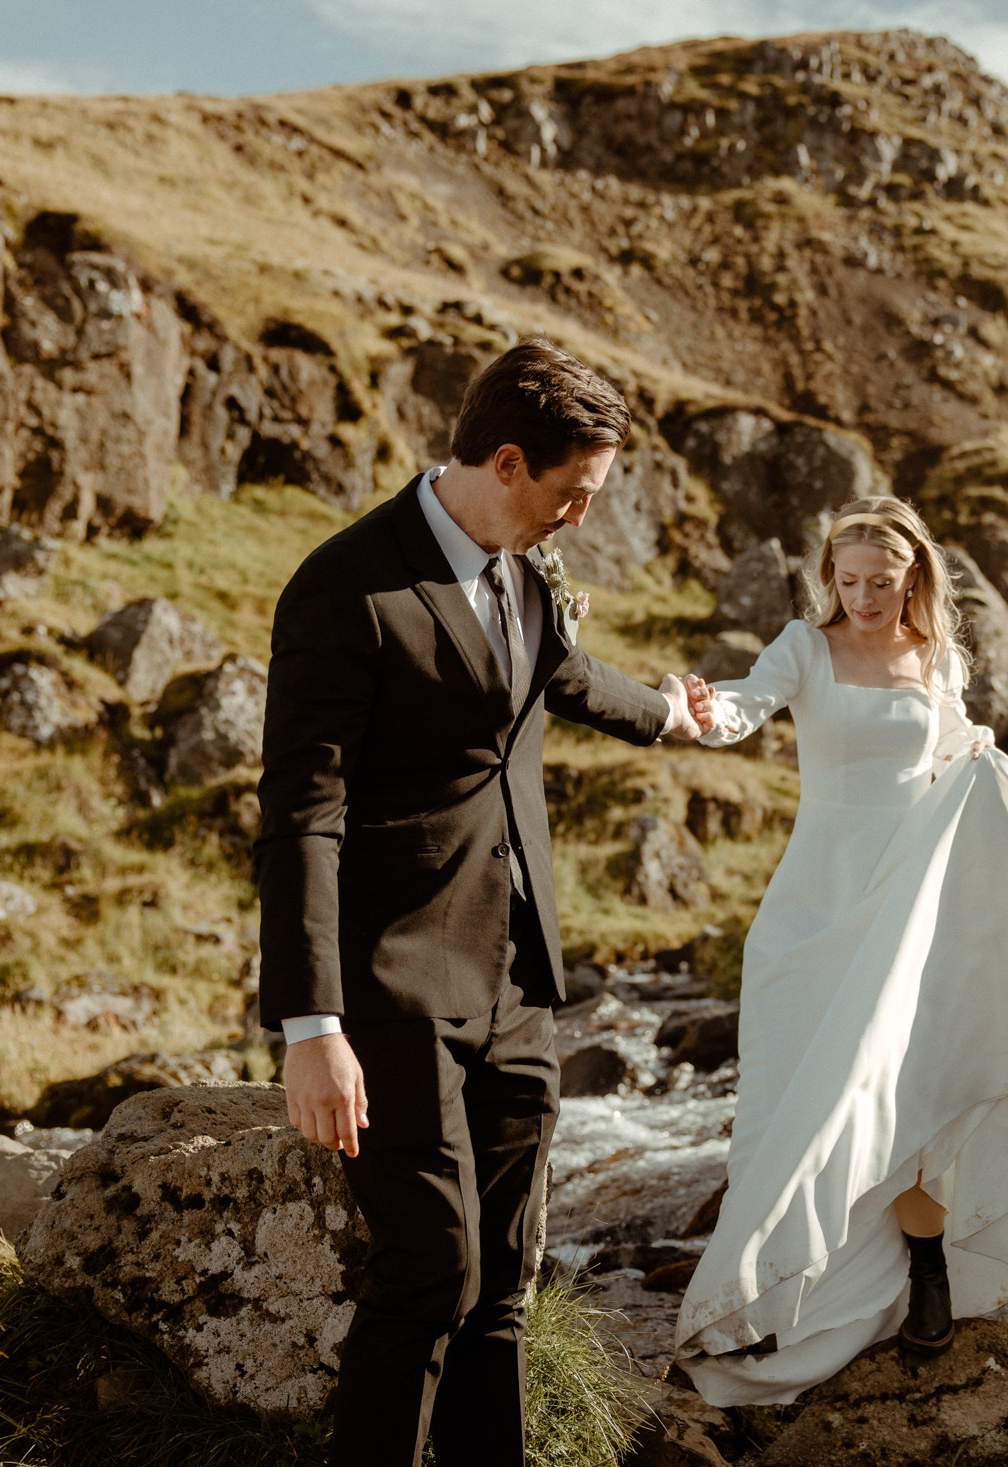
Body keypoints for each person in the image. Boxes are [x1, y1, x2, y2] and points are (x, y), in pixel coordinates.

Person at [255, 338, 710, 1466]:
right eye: (573, 494)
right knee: (431, 1270)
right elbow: (301, 817)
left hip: (517, 980)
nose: (580, 519)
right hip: (395, 983)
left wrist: (668, 713)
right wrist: (311, 1027)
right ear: (507, 462)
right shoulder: (346, 588)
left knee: (503, 1278)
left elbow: (561, 676)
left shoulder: (524, 569)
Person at [671, 495, 1008, 1407]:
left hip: (907, 909)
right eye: (848, 580)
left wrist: (981, 760)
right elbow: (744, 707)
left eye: (881, 581)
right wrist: (699, 711)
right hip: (810, 912)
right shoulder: (805, 646)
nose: (863, 598)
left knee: (902, 1095)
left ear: (913, 577)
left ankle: (927, 1267)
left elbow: (950, 755)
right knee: (789, 1106)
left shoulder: (937, 656)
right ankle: (764, 1300)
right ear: (827, 576)